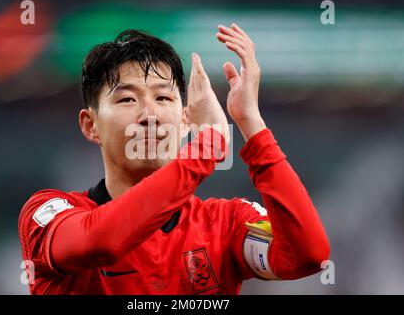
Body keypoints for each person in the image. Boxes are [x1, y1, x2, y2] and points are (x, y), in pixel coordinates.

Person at [18, 23, 330, 295]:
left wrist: (251, 123)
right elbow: (101, 242)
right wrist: (205, 149)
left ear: (184, 122)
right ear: (90, 125)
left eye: (163, 97)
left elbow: (307, 256)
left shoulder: (226, 223)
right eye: (127, 99)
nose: (149, 115)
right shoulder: (48, 213)